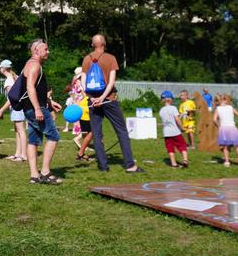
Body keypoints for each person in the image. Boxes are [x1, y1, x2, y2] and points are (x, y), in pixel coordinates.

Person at [81, 34, 144, 173]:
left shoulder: (86, 59)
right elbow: (111, 82)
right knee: (121, 131)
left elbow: (83, 81)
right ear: (104, 44)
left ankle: (103, 166)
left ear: (92, 44)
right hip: (109, 99)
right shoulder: (110, 58)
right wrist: (103, 97)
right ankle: (129, 165)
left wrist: (91, 97)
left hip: (92, 101)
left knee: (96, 134)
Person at [21, 39, 63, 184]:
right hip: (36, 109)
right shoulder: (35, 66)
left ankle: (34, 175)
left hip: (29, 108)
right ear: (36, 51)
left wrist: (51, 102)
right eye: (45, 49)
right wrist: (38, 108)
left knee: (33, 140)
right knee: (54, 136)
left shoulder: (30, 64)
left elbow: (38, 89)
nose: (48, 51)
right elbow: (30, 87)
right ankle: (45, 172)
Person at [0, 59, 27, 162]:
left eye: (0, 68)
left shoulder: (9, 81)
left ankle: (23, 155)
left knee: (21, 131)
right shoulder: (15, 77)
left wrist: (1, 111)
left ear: (3, 69)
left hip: (17, 107)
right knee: (18, 131)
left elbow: (11, 99)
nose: (0, 69)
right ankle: (18, 154)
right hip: (19, 107)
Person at [213, 94, 238, 167]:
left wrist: (218, 126)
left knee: (225, 146)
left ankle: (227, 162)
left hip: (223, 128)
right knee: (237, 146)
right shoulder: (231, 107)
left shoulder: (218, 108)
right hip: (232, 128)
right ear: (225, 100)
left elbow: (214, 120)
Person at [159, 90, 189, 168]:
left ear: (163, 100)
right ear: (170, 99)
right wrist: (182, 127)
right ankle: (185, 160)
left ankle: (173, 164)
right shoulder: (173, 108)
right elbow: (177, 119)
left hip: (166, 133)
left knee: (170, 149)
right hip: (175, 132)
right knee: (182, 145)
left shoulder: (161, 110)